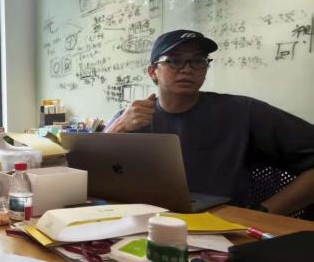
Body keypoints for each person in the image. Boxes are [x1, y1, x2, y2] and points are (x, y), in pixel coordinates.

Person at [105, 29, 314, 215]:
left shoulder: (243, 111)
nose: (187, 69)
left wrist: (263, 213)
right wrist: (117, 129)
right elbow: (90, 176)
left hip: (224, 228)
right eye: (174, 61)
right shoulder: (131, 117)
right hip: (145, 222)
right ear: (153, 72)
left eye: (198, 61)